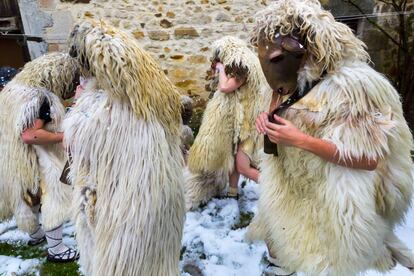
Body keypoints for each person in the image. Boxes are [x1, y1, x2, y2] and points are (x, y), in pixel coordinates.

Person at [246, 0, 414, 275]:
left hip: (332, 202)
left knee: (324, 263)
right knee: (278, 237)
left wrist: (301, 140)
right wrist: (267, 121)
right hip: (294, 190)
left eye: (277, 56)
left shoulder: (354, 88)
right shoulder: (289, 85)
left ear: (308, 47)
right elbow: (281, 128)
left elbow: (368, 159)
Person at [65, 20, 185, 276]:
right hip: (156, 196)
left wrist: (77, 104)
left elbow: (76, 146)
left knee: (123, 261)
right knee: (152, 258)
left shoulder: (103, 105)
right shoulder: (151, 96)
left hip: (124, 201)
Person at [0, 53, 80, 262]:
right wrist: (64, 136)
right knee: (53, 198)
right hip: (40, 157)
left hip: (15, 157)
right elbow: (30, 135)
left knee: (28, 197)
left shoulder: (14, 90)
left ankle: (36, 235)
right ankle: (56, 249)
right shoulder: (40, 97)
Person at [185, 36, 271, 210]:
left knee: (243, 166)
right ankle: (233, 192)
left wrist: (221, 69)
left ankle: (275, 189)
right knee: (233, 159)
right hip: (244, 122)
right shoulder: (248, 62)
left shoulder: (242, 66)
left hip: (249, 125)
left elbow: (225, 87)